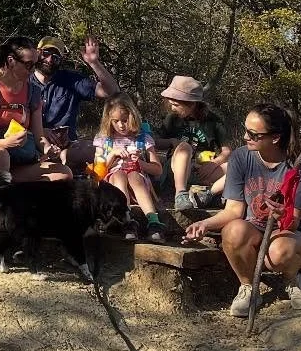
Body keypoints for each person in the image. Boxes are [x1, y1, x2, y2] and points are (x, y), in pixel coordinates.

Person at [184, 103, 301, 317]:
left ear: (275, 138)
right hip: (253, 229)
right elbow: (234, 211)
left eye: (253, 134)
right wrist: (204, 224)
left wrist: (282, 214)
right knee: (232, 231)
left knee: (278, 252)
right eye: (245, 130)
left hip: (292, 234)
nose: (246, 137)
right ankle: (248, 288)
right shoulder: (240, 157)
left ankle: (293, 279)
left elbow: (294, 220)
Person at [0, 36, 72, 201]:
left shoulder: (33, 92)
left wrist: (48, 149)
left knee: (64, 173)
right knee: (1, 155)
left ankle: (17, 193)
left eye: (35, 64)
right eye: (28, 65)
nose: (32, 69)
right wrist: (5, 143)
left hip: (22, 159)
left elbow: (39, 135)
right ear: (11, 61)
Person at [33, 36, 121, 169]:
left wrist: (94, 63)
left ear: (61, 61)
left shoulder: (71, 79)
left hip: (67, 149)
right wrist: (39, 132)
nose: (50, 60)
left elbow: (112, 92)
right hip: (33, 144)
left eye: (55, 57)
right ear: (37, 53)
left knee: (98, 151)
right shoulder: (22, 80)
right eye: (46, 54)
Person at [93, 95, 165, 242]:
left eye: (124, 120)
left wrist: (140, 163)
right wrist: (113, 154)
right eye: (116, 121)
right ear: (109, 120)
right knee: (119, 174)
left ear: (132, 117)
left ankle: (153, 221)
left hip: (138, 185)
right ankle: (127, 219)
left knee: (133, 175)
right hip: (114, 186)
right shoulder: (104, 140)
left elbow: (158, 170)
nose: (121, 125)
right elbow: (96, 173)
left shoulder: (143, 139)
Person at [154, 76, 232, 212]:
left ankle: (208, 194)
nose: (172, 108)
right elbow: (155, 142)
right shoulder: (172, 119)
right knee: (185, 147)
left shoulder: (213, 121)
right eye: (171, 104)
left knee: (233, 167)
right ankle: (181, 194)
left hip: (201, 169)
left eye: (176, 105)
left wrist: (214, 163)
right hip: (176, 169)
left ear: (191, 103)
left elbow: (226, 151)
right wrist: (172, 142)